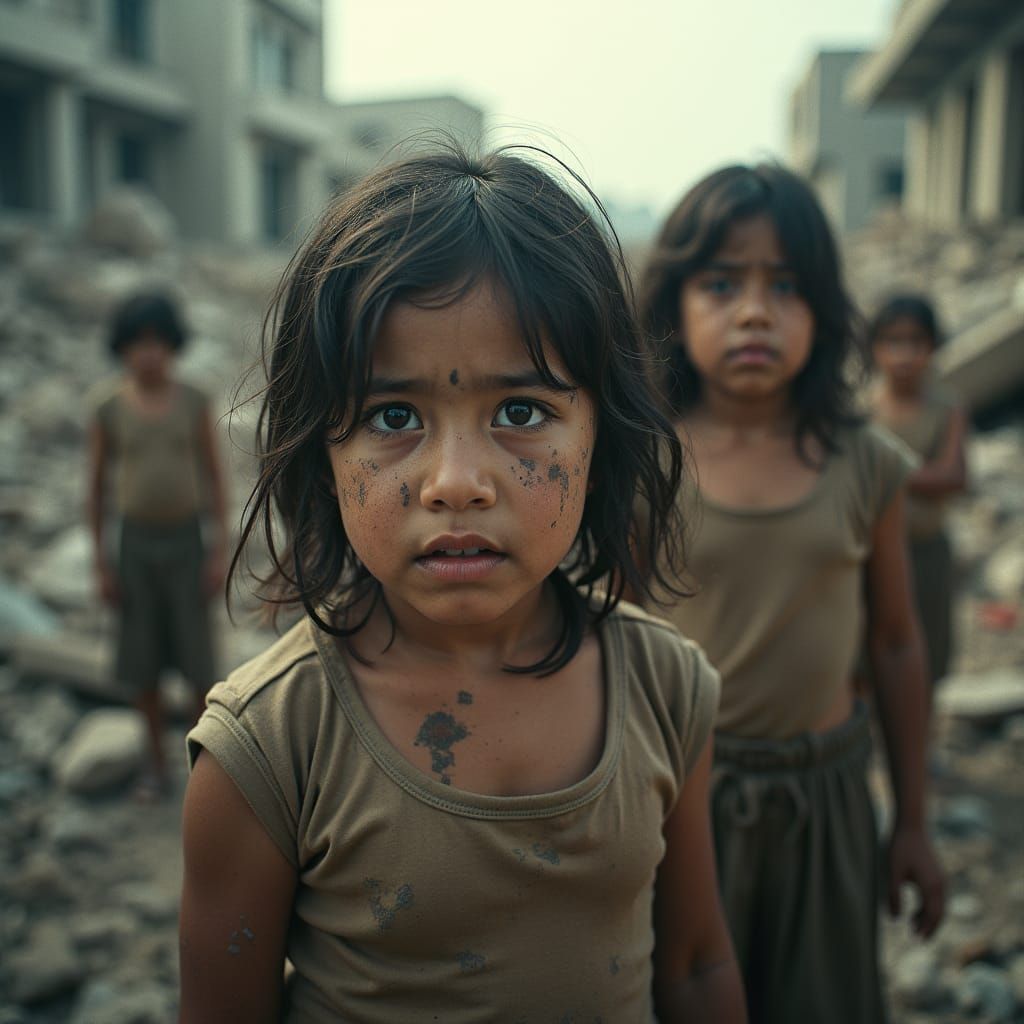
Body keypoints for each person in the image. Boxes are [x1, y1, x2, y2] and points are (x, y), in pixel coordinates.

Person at [178, 146, 746, 1023]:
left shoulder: (669, 692)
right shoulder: (268, 748)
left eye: (521, 413)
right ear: (323, 457)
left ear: (600, 443)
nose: (456, 481)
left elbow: (700, 966)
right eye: (393, 417)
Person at [637, 164, 945, 1023]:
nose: (753, 311)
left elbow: (893, 642)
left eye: (786, 286)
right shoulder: (642, 463)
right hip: (681, 804)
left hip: (829, 798)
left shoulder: (864, 460)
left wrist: (913, 820)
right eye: (723, 282)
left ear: (823, 308)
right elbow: (602, 645)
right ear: (674, 300)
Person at [87, 292, 227, 800]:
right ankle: (154, 766)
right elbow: (97, 488)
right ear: (122, 348)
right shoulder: (108, 406)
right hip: (135, 548)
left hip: (187, 542)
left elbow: (214, 477)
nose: (149, 354)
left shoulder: (193, 399)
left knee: (197, 663)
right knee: (142, 664)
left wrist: (217, 552)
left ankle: (206, 771)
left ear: (173, 346)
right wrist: (102, 565)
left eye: (158, 343)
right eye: (138, 343)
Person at [867, 294, 967, 692]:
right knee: (868, 654)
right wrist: (921, 474)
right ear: (874, 347)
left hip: (926, 551)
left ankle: (920, 746)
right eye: (892, 342)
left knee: (928, 653)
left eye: (916, 342)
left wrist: (887, 471)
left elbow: (954, 476)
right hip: (869, 555)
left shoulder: (946, 407)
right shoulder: (865, 408)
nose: (904, 354)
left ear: (933, 347)